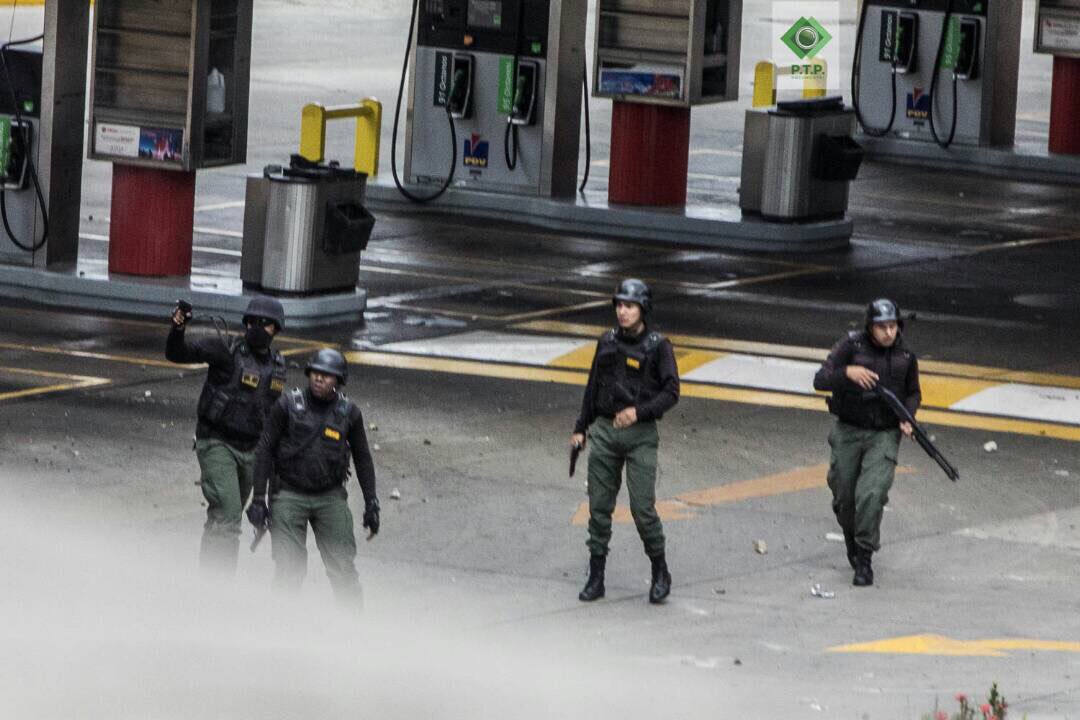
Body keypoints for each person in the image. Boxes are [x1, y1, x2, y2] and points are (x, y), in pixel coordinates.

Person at [571, 279, 680, 604]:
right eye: (619, 305)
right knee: (599, 508)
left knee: (642, 509)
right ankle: (596, 575)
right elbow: (593, 387)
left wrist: (639, 412)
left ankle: (660, 570)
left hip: (640, 436)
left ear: (643, 309)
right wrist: (581, 427)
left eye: (630, 306)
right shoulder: (606, 342)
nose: (623, 311)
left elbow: (672, 392)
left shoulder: (659, 346)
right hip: (604, 431)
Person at [166, 295, 287, 574]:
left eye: (265, 323)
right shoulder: (225, 350)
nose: (257, 327)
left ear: (276, 329)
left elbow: (276, 419)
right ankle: (217, 589)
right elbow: (177, 353)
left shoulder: (278, 366)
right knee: (227, 516)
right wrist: (178, 328)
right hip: (217, 441)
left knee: (224, 518)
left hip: (252, 450)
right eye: (252, 321)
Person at [248, 349, 379, 604]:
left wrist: (371, 502)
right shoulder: (287, 405)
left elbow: (363, 458)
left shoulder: (349, 413)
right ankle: (280, 628)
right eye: (316, 373)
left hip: (329, 496)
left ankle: (353, 630)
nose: (319, 379)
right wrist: (259, 499)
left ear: (338, 381)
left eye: (327, 376)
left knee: (343, 569)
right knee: (289, 569)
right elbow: (265, 449)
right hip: (288, 493)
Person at [813, 298, 921, 587]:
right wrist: (847, 373)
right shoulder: (851, 346)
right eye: (882, 327)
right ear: (869, 327)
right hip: (849, 429)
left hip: (883, 433)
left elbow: (913, 393)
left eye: (893, 326)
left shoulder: (906, 356)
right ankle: (852, 536)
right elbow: (820, 379)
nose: (888, 333)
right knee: (844, 495)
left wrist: (907, 418)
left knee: (872, 494)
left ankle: (864, 557)